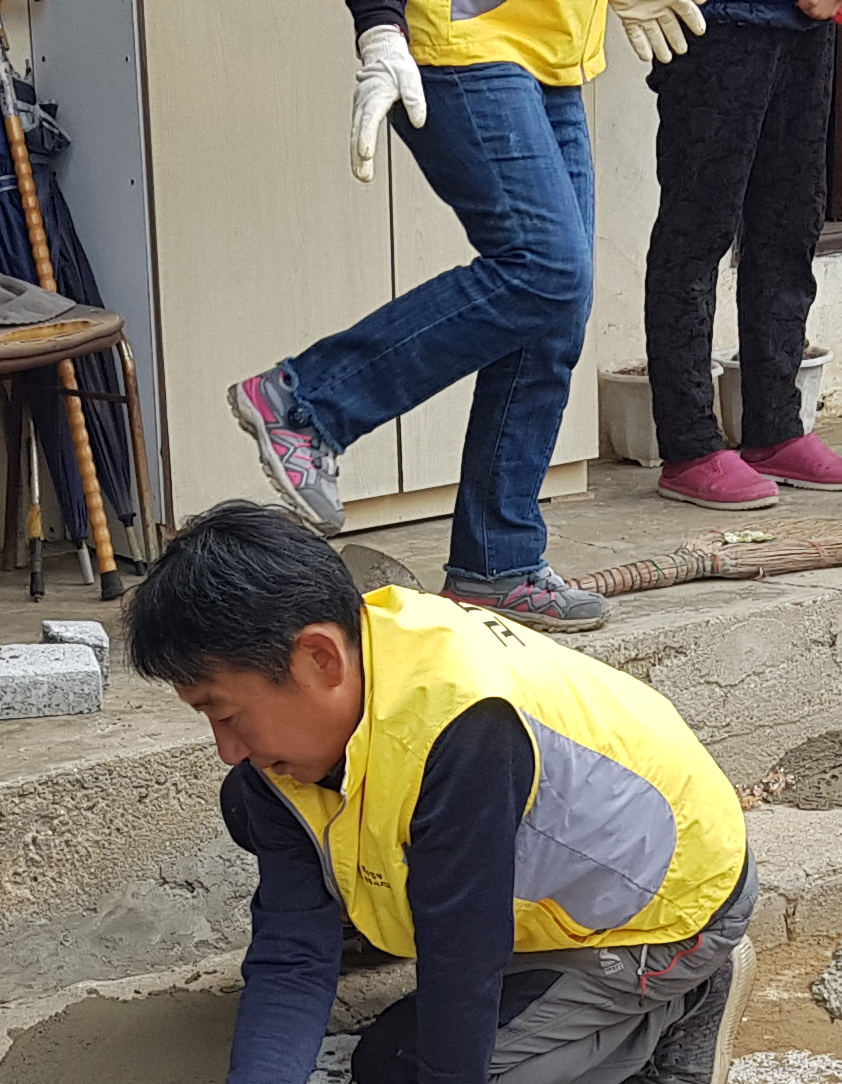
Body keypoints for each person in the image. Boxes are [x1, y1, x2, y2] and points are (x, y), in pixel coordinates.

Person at [136, 504, 755, 1084]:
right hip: (520, 871)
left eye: (227, 713)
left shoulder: (461, 726)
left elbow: (464, 949)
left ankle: (683, 1000)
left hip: (667, 908)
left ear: (320, 659)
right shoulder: (358, 662)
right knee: (251, 800)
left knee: (398, 1069)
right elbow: (294, 948)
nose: (225, 747)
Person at [223, 0, 710, 635]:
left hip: (555, 50)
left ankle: (496, 563)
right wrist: (378, 26)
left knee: (554, 310)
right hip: (466, 40)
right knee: (546, 269)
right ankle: (306, 402)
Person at [641, 0, 842, 512]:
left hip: (807, 26)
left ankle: (776, 430)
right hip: (715, 23)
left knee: (791, 224)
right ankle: (690, 446)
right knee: (697, 232)